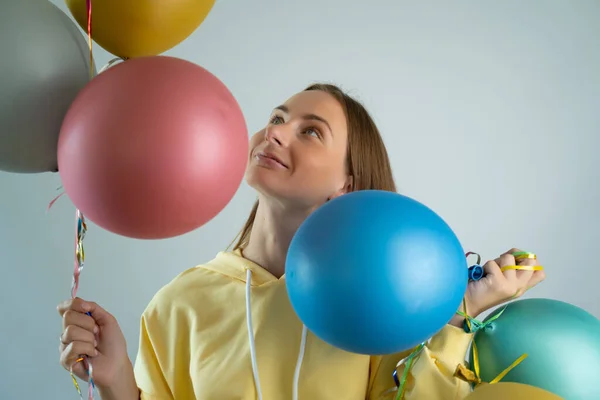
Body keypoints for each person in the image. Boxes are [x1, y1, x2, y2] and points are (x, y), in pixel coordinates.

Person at [57, 83, 546, 400]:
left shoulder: (377, 294)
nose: (275, 133)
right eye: (276, 117)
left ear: (348, 185)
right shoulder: (179, 304)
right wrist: (118, 379)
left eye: (310, 132)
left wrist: (456, 309)